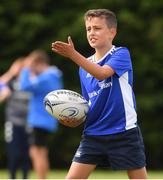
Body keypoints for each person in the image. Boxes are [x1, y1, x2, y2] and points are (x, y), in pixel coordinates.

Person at [52, 9, 148, 179]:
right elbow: (87, 105)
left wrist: (73, 54)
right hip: (93, 134)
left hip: (123, 132)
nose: (91, 33)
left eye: (97, 28)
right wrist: (74, 119)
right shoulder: (84, 67)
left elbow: (102, 73)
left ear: (112, 32)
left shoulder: (121, 53)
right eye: (88, 29)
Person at [19, 50, 63, 179]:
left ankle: (41, 178)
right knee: (41, 151)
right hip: (45, 120)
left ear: (39, 63)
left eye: (33, 65)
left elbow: (24, 86)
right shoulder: (53, 75)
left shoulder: (47, 77)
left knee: (37, 152)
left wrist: (26, 69)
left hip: (39, 120)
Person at [0, 58, 31, 179]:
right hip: (13, 123)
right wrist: (11, 72)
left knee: (26, 154)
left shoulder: (30, 84)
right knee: (14, 153)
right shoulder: (11, 84)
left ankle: (25, 177)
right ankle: (12, 177)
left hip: (29, 124)